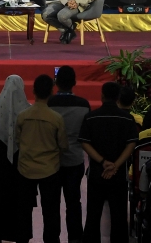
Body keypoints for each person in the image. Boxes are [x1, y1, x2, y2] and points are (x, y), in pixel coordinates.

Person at [80, 81, 139, 243]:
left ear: (102, 96)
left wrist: (103, 162)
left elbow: (84, 142)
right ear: (118, 97)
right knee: (119, 217)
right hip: (118, 175)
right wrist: (116, 165)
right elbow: (132, 143)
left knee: (93, 215)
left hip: (97, 174)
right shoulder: (127, 119)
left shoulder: (91, 117)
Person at [14, 74, 68, 243]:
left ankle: (23, 238)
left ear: (33, 91)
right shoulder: (56, 118)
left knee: (23, 210)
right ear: (51, 92)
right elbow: (64, 145)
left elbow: (17, 141)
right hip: (49, 170)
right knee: (51, 211)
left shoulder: (23, 116)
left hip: (25, 169)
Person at [47, 65, 91, 241]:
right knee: (74, 202)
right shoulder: (84, 105)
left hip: (51, 161)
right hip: (74, 160)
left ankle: (51, 237)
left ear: (56, 83)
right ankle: (75, 237)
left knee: (51, 203)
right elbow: (87, 134)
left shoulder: (48, 103)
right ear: (74, 82)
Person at [0, 74, 31, 242]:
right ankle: (22, 234)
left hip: (1, 152)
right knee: (21, 195)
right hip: (22, 154)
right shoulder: (27, 108)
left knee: (1, 193)